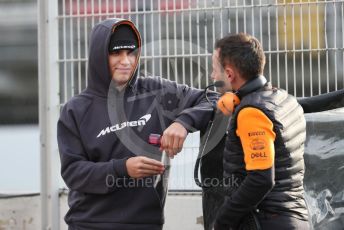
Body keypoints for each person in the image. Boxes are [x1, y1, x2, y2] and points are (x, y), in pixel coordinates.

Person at [57, 18, 217, 230]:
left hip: (145, 223)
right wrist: (122, 169)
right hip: (89, 223)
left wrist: (183, 123)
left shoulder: (156, 91)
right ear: (99, 56)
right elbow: (73, 173)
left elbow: (213, 99)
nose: (126, 61)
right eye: (116, 53)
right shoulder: (74, 110)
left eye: (131, 53)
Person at [211, 33, 310, 230]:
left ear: (229, 75)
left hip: (267, 222)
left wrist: (223, 220)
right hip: (293, 218)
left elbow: (261, 179)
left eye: (215, 70)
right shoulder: (282, 98)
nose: (212, 77)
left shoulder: (251, 114)